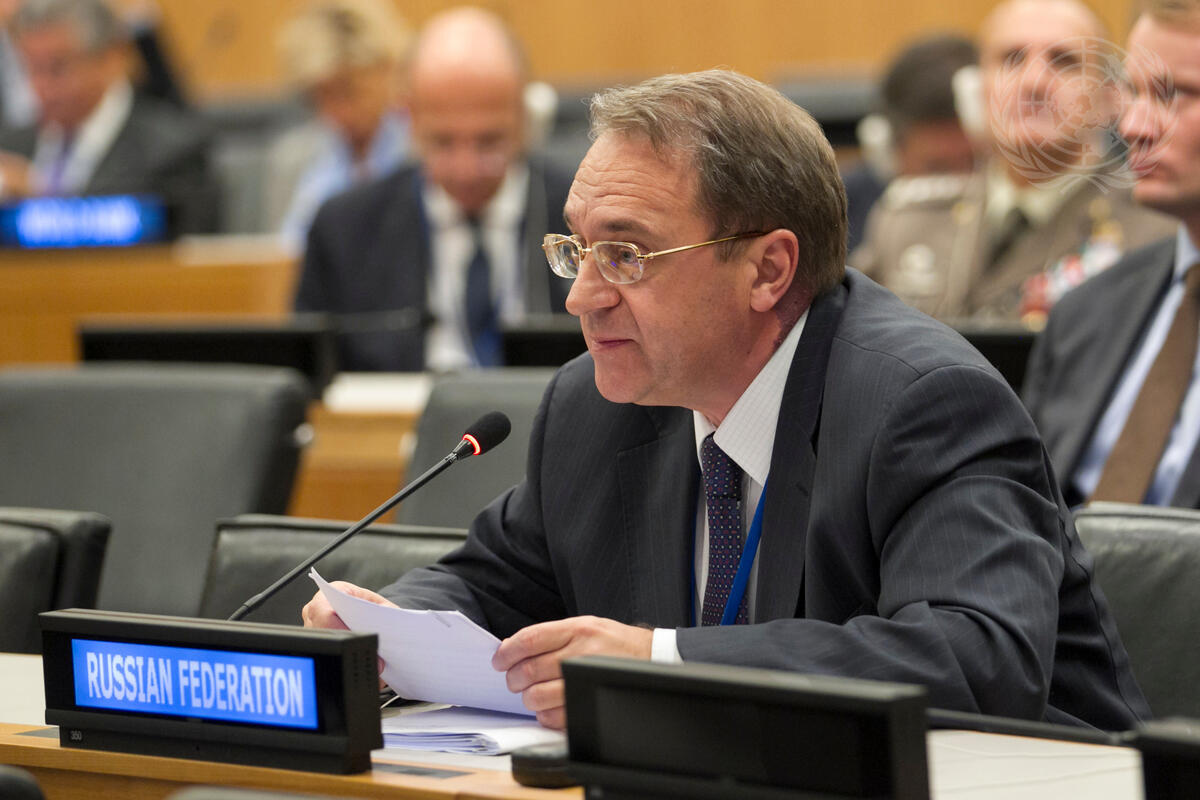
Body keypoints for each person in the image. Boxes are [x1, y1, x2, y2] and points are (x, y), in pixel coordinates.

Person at [303, 69, 1147, 732]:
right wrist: (393, 626)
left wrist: (662, 663)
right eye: (577, 250)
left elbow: (975, 660)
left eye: (626, 255)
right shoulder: (597, 406)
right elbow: (490, 583)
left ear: (768, 269)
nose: (581, 297)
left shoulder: (925, 404)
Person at [851, 0, 1175, 325]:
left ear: (1110, 98)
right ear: (976, 92)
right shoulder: (908, 222)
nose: (1034, 83)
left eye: (1064, 62)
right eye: (1011, 60)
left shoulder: (1155, 230)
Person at [294, 7, 573, 372]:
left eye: (489, 141)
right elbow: (309, 378)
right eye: (442, 142)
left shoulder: (584, 217)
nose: (466, 169)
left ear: (524, 117)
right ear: (408, 117)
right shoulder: (344, 229)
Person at [1024, 0, 1200, 508]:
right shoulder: (1084, 314)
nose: (1134, 127)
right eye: (1133, 92)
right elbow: (1018, 511)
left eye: (1174, 95)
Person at [0, 0, 217, 233]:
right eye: (33, 69)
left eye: (58, 68)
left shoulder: (172, 150)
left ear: (111, 58)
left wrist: (43, 196)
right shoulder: (10, 148)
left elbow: (178, 242)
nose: (43, 87)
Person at [269, 0, 411, 249]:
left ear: (386, 70)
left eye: (348, 92)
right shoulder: (292, 161)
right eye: (322, 96)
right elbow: (275, 260)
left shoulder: (421, 153)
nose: (336, 112)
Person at [844, 34, 980, 253]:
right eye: (938, 169)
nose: (962, 184)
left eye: (977, 162)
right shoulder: (840, 213)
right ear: (887, 155)